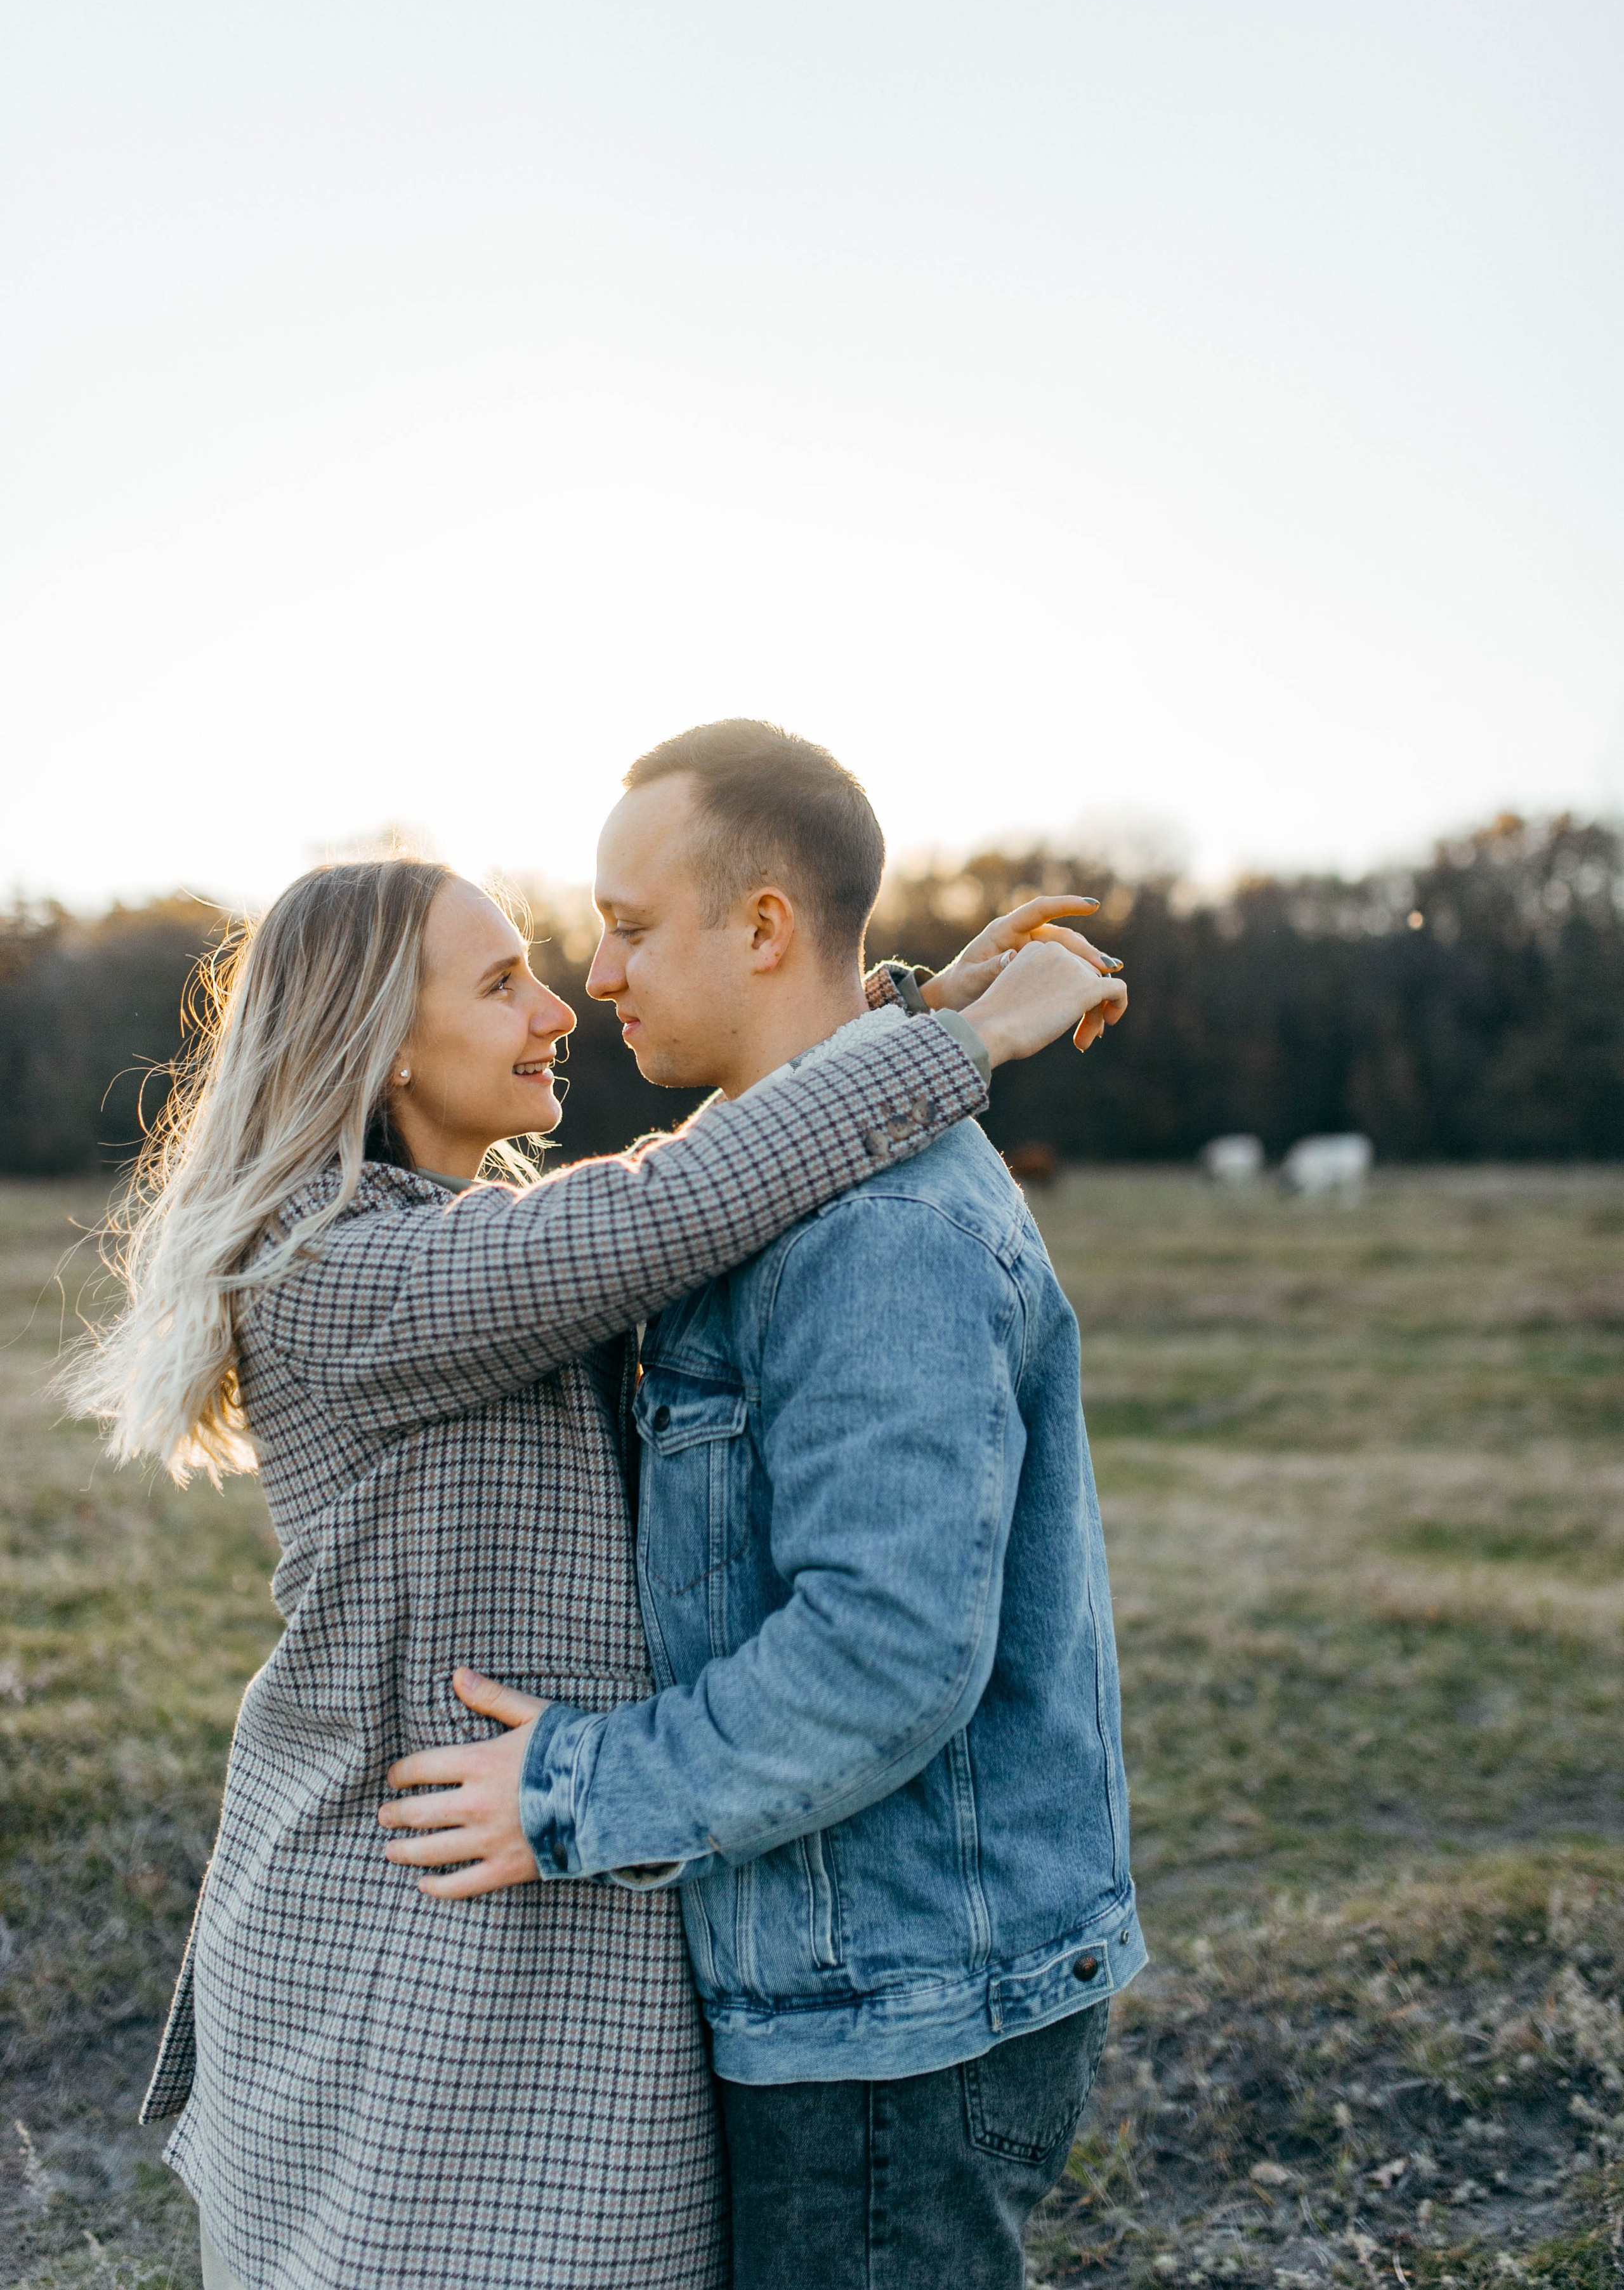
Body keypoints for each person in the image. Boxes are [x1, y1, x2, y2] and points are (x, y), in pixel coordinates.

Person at [65, 835, 1118, 2290]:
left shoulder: (478, 1246)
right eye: (502, 983)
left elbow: (700, 1185)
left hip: (549, 1882)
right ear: (381, 1044)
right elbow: (668, 1205)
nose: (559, 1007)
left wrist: (900, 1009)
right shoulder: (332, 1271)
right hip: (405, 1922)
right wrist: (962, 1040)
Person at [380, 721, 1142, 2290]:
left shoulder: (877, 1235)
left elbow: (885, 1650)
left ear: (765, 927)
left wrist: (572, 1791)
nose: (595, 974)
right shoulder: (775, 1188)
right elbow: (708, 1170)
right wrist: (919, 1013)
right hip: (848, 1975)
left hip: (894, 2008)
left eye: (630, 926)